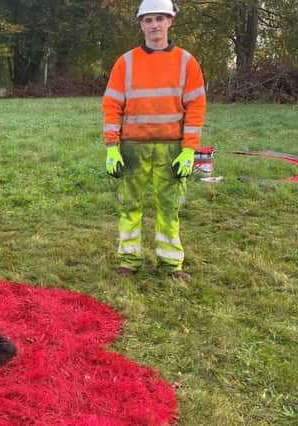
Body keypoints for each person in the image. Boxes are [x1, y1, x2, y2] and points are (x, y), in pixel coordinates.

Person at [102, 0, 206, 281]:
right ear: (140, 24)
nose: (154, 25)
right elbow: (112, 105)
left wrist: (188, 151)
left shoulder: (186, 62)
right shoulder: (126, 62)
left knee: (168, 207)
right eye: (148, 20)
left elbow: (196, 108)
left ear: (170, 21)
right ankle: (128, 260)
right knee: (129, 205)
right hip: (132, 148)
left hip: (171, 149)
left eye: (160, 18)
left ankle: (171, 264)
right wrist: (112, 147)